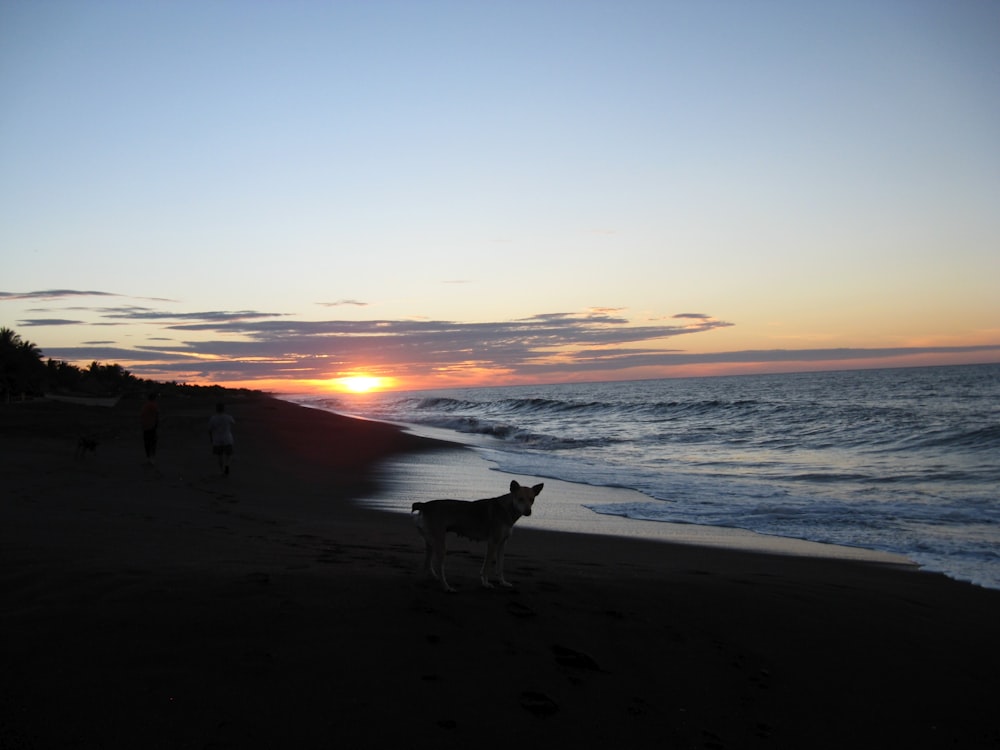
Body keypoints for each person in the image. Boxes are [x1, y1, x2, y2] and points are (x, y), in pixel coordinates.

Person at [208, 402, 236, 475]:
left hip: (217, 439)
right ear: (224, 409)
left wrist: (211, 438)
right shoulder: (228, 417)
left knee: (219, 456)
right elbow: (233, 423)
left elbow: (210, 430)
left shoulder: (213, 418)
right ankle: (227, 465)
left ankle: (221, 470)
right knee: (229, 454)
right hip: (227, 438)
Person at [140, 392, 159, 464]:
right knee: (153, 442)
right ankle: (152, 458)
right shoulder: (153, 405)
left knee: (147, 442)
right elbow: (157, 415)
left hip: (145, 426)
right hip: (151, 426)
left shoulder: (145, 406)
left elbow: (142, 415)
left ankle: (148, 457)